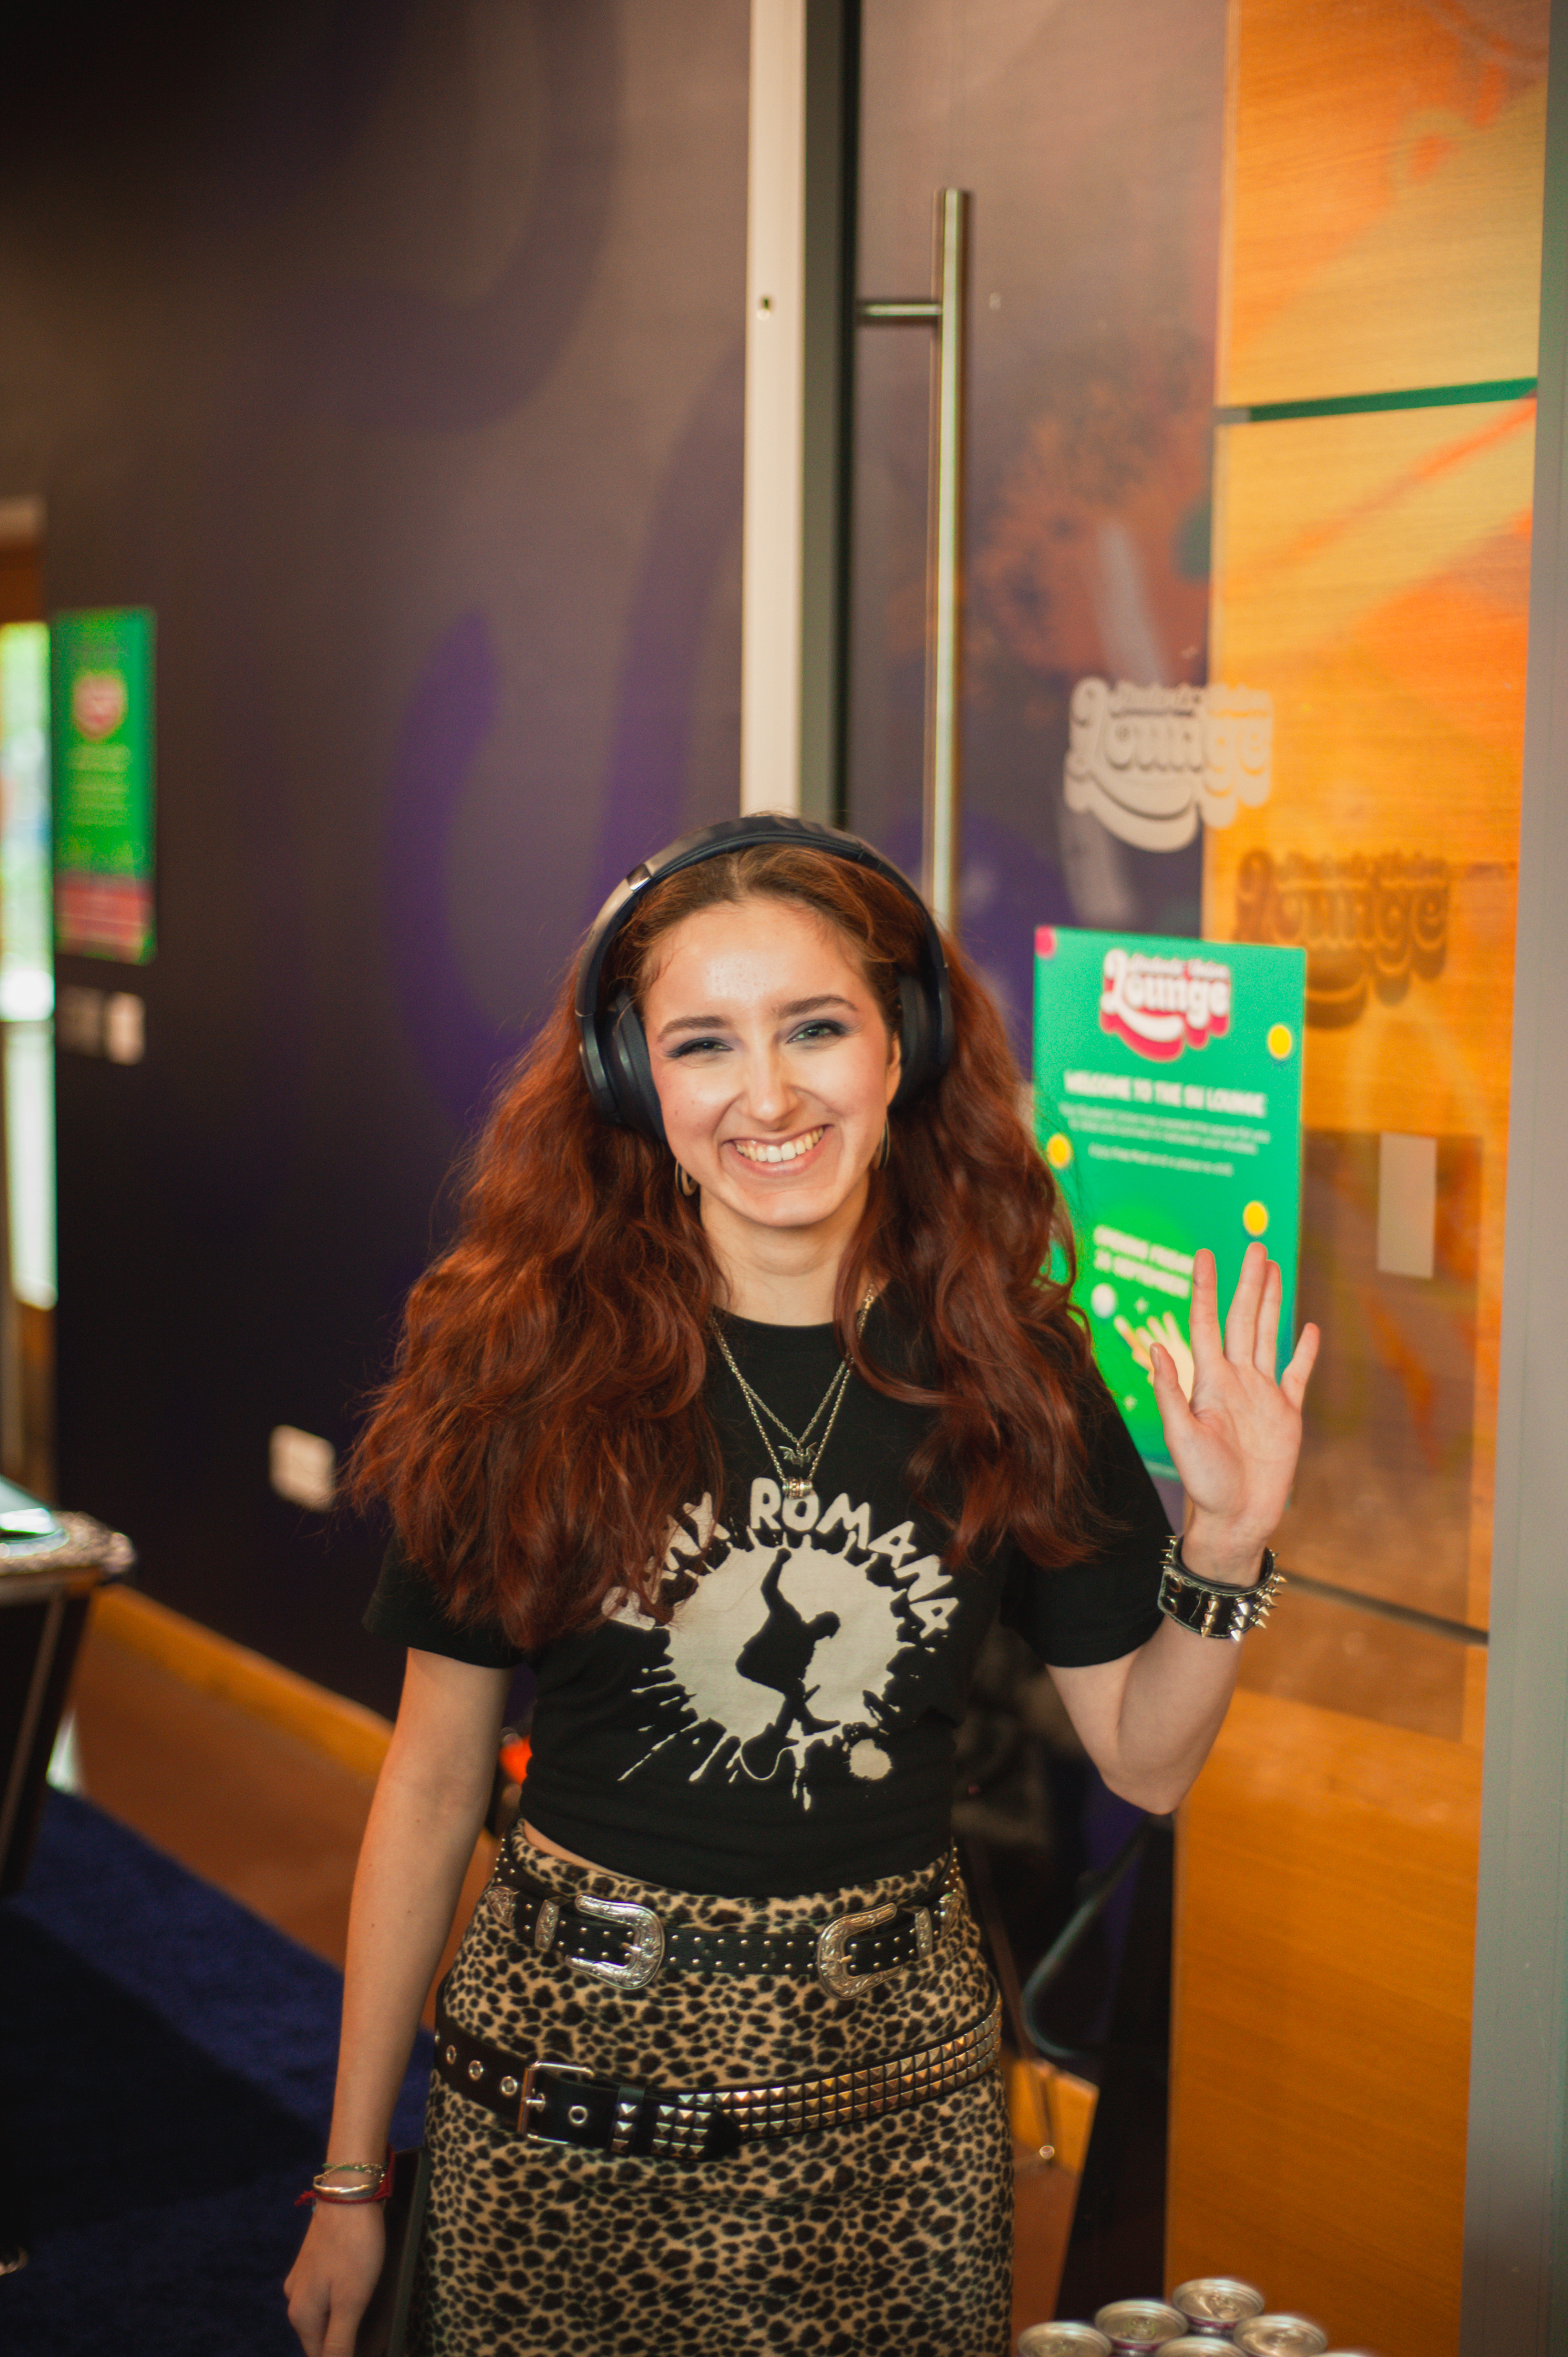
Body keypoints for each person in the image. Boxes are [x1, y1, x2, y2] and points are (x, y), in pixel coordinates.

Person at [285, 816, 1317, 2357]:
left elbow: (1147, 1762)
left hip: (896, 2102)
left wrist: (1224, 1546)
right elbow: (434, 1784)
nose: (767, 1095)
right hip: (570, 2084)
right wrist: (353, 2179)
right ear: (641, 1082)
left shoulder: (1007, 1361)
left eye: (816, 1028)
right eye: (705, 1044)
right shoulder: (523, 1361)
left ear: (897, 1046)